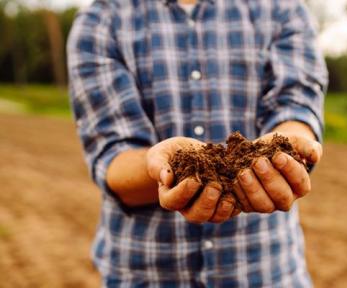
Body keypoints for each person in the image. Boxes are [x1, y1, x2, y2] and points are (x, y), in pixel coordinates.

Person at [67, 0, 327, 286]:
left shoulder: (282, 8)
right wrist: (163, 168)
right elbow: (113, 157)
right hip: (148, 275)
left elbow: (295, 106)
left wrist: (285, 145)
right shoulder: (102, 19)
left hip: (268, 274)